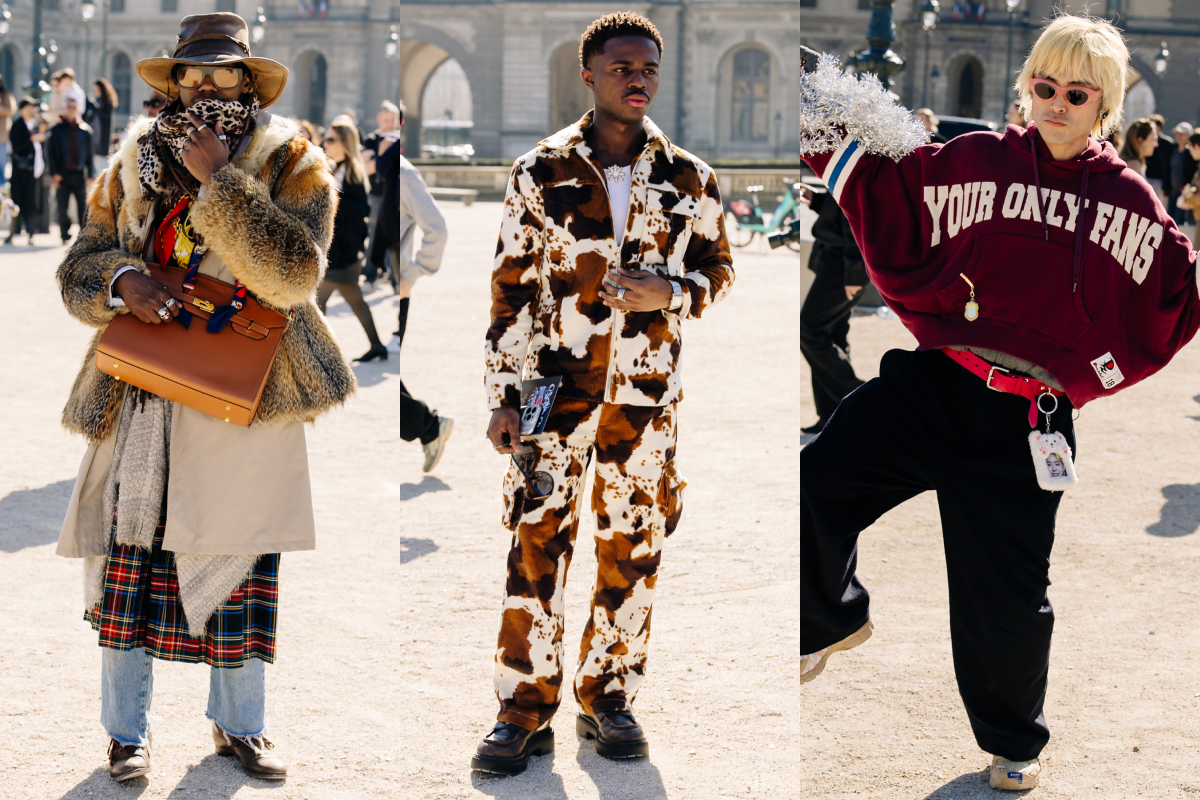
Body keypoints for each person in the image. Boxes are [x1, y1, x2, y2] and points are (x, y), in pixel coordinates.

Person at [798, 13, 1200, 792]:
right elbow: (887, 184)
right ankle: (830, 618)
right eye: (1042, 86)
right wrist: (814, 80)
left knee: (1007, 599)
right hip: (938, 380)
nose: (1055, 103)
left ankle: (1014, 745)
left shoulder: (1131, 200)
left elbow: (1177, 301)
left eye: (1075, 93)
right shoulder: (977, 157)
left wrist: (1091, 371)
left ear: (1104, 105)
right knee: (816, 479)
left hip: (1030, 419)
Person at [54, 12, 354, 783]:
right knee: (129, 561)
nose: (201, 86)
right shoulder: (129, 162)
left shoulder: (293, 160)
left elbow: (294, 275)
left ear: (247, 83)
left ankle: (240, 726)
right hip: (142, 388)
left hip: (241, 388)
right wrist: (123, 280)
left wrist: (221, 181)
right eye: (188, 74)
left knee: (239, 553)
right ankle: (125, 734)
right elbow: (81, 262)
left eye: (220, 74)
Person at [473, 11, 733, 776]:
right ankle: (523, 707)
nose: (638, 78)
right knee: (536, 543)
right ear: (589, 74)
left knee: (633, 547)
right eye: (621, 66)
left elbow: (718, 268)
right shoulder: (540, 170)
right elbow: (510, 292)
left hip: (646, 399)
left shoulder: (690, 176)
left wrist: (670, 293)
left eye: (648, 67)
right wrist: (502, 396)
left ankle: (608, 696)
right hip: (554, 389)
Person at [370, 103, 454, 471]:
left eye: (392, 127)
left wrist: (415, 272)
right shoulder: (387, 168)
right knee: (389, 377)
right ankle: (429, 426)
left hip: (397, 284)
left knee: (387, 380)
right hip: (382, 281)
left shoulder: (405, 173)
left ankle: (430, 425)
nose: (384, 133)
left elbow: (437, 226)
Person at [798, 180, 867, 434]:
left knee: (809, 330)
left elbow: (858, 217)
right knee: (832, 333)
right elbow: (841, 207)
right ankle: (833, 416)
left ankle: (858, 397)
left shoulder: (859, 150)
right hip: (835, 258)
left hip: (843, 263)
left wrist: (855, 274)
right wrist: (817, 200)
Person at [316, 116, 386, 360]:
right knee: (354, 300)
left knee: (318, 302)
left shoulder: (353, 171)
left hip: (344, 251)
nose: (327, 143)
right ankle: (376, 345)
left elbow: (360, 211)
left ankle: (320, 352)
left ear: (345, 142)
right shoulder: (337, 167)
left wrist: (333, 199)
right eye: (326, 138)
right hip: (341, 250)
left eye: (332, 139)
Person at [361, 100, 402, 289]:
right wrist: (385, 149)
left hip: (398, 194)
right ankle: (370, 276)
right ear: (379, 119)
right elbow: (367, 167)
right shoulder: (371, 139)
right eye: (386, 120)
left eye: (392, 119)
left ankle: (396, 279)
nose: (389, 123)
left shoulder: (400, 139)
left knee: (396, 238)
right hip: (378, 195)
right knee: (376, 234)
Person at [46, 97, 95, 243]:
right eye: (69, 107)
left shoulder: (85, 130)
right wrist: (54, 173)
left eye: (74, 108)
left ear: (78, 110)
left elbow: (89, 155)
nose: (71, 110)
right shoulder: (56, 130)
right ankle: (64, 234)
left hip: (79, 174)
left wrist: (90, 174)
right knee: (62, 208)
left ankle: (83, 238)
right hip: (63, 174)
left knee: (83, 208)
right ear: (65, 109)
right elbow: (50, 154)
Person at [7, 98, 40, 245]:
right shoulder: (17, 125)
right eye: (31, 107)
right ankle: (13, 233)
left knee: (29, 203)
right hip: (19, 172)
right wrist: (31, 140)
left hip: (30, 171)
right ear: (23, 108)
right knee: (17, 202)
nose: (33, 109)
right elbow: (17, 147)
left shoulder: (33, 124)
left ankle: (31, 233)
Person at [1170, 122, 1196, 225]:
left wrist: (1187, 189)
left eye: (1182, 134)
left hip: (1184, 191)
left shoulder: (1191, 152)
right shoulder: (1173, 149)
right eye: (1177, 133)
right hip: (1172, 191)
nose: (1179, 136)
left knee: (1179, 221)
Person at [91, 77, 117, 159]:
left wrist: (97, 108)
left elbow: (106, 115)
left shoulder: (108, 101)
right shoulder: (98, 100)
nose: (96, 92)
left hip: (104, 132)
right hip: (95, 130)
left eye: (97, 90)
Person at [0, 75, 14, 189]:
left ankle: (2, 183)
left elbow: (11, 109)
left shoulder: (6, 95)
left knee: (2, 160)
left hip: (2, 133)